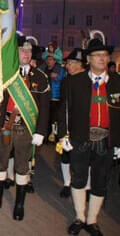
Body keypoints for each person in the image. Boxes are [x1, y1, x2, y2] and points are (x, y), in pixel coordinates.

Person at [58, 38, 120, 236]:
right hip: (80, 138)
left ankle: (92, 220)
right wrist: (62, 136)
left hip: (107, 140)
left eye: (105, 55)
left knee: (101, 181)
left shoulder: (118, 81)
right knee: (79, 178)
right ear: (89, 59)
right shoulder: (74, 81)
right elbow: (64, 111)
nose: (103, 59)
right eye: (98, 55)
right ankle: (80, 217)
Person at [0, 36, 50, 220]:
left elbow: (45, 108)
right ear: (16, 52)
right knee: (0, 163)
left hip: (26, 128)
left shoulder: (40, 77)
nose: (26, 54)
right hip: (6, 126)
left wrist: (41, 132)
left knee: (22, 166)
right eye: (22, 50)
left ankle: (19, 204)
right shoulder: (6, 73)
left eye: (29, 51)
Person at [58, 48, 86, 198]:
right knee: (66, 156)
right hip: (68, 126)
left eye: (69, 63)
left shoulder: (89, 80)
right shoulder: (66, 81)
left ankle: (86, 186)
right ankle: (67, 183)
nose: (67, 66)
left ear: (79, 64)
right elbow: (63, 106)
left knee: (85, 159)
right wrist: (61, 129)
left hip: (84, 128)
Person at [40, 53, 66, 143]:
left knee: (55, 120)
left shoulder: (60, 69)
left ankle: (54, 137)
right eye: (48, 59)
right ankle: (46, 137)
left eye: (51, 59)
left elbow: (63, 78)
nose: (48, 61)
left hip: (56, 98)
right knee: (46, 118)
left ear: (55, 61)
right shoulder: (44, 69)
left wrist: (57, 77)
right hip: (46, 97)